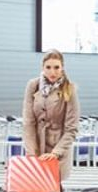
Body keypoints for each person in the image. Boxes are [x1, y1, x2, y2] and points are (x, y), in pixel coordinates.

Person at [22, 50, 81, 182]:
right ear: (42, 67)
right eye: (48, 67)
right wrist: (32, 153)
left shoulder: (69, 89)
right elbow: (28, 122)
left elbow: (72, 128)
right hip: (36, 147)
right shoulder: (33, 86)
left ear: (62, 68)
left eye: (56, 67)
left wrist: (55, 153)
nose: (52, 72)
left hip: (57, 151)